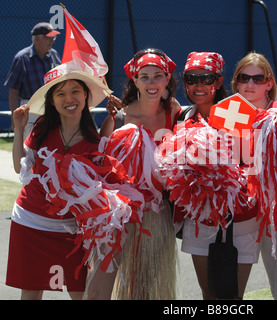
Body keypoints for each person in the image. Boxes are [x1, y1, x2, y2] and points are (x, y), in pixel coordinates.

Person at [6, 63, 111, 300]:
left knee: (79, 293)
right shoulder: (42, 128)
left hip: (72, 229)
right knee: (31, 293)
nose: (69, 98)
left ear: (86, 95)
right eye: (60, 93)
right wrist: (19, 129)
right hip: (30, 222)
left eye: (75, 91)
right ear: (52, 101)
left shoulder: (96, 142)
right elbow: (19, 168)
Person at [87, 48, 180, 299]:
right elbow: (99, 167)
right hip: (116, 217)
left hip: (155, 217)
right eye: (145, 76)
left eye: (158, 76)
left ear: (167, 80)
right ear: (135, 80)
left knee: (145, 290)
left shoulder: (174, 113)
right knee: (98, 289)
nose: (152, 82)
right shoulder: (117, 117)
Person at [174, 51, 251, 300]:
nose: (198, 85)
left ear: (218, 82)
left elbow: (253, 166)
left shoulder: (236, 111)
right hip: (198, 219)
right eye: (191, 78)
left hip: (238, 221)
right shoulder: (183, 117)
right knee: (208, 294)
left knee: (231, 297)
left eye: (206, 79)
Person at [231, 52, 277, 300]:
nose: (250, 84)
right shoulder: (231, 114)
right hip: (253, 215)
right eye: (244, 78)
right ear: (236, 82)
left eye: (258, 78)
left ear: (269, 83)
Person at [4, 22, 61, 137]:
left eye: (53, 37)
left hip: (53, 106)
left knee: (51, 147)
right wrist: (15, 116)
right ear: (37, 39)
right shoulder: (22, 58)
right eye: (48, 37)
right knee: (28, 148)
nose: (52, 41)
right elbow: (13, 90)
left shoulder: (54, 55)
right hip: (30, 107)